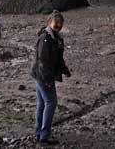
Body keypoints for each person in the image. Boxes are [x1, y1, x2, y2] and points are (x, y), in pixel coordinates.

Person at [31, 10, 71, 146]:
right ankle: (44, 135)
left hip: (40, 75)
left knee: (42, 104)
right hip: (43, 76)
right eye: (56, 25)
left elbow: (58, 58)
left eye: (60, 25)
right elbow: (42, 61)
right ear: (49, 23)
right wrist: (48, 80)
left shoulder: (55, 38)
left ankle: (39, 133)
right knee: (51, 103)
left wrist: (65, 70)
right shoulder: (45, 39)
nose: (58, 27)